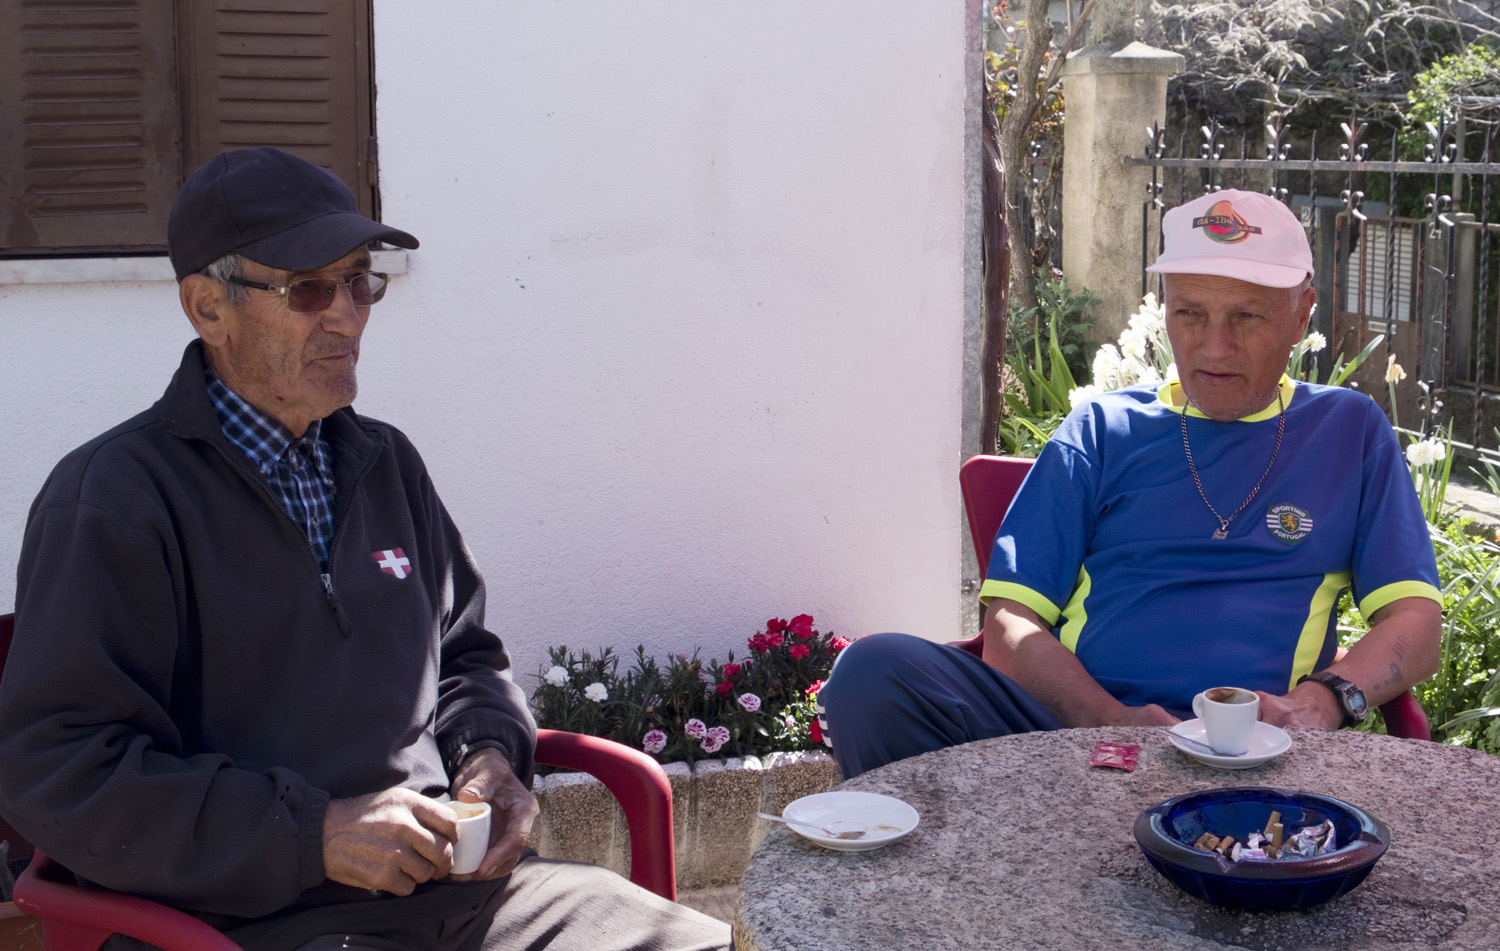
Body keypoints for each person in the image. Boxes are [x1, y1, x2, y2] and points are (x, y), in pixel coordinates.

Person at [0, 147, 729, 951]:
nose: (347, 313)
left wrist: (489, 755)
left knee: (704, 943)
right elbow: (60, 768)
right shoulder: (115, 497)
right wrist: (313, 834)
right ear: (209, 308)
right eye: (309, 288)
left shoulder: (387, 464)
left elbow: (466, 659)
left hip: (462, 896)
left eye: (358, 280)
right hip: (254, 920)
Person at [820, 189, 1443, 778]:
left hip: (1256, 750)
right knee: (871, 674)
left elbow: (1414, 622)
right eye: (1190, 314)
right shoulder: (1102, 428)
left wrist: (1324, 700)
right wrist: (1107, 722)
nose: (1215, 346)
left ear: (1300, 312)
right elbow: (1011, 624)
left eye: (1247, 316)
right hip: (1071, 735)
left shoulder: (1348, 430)